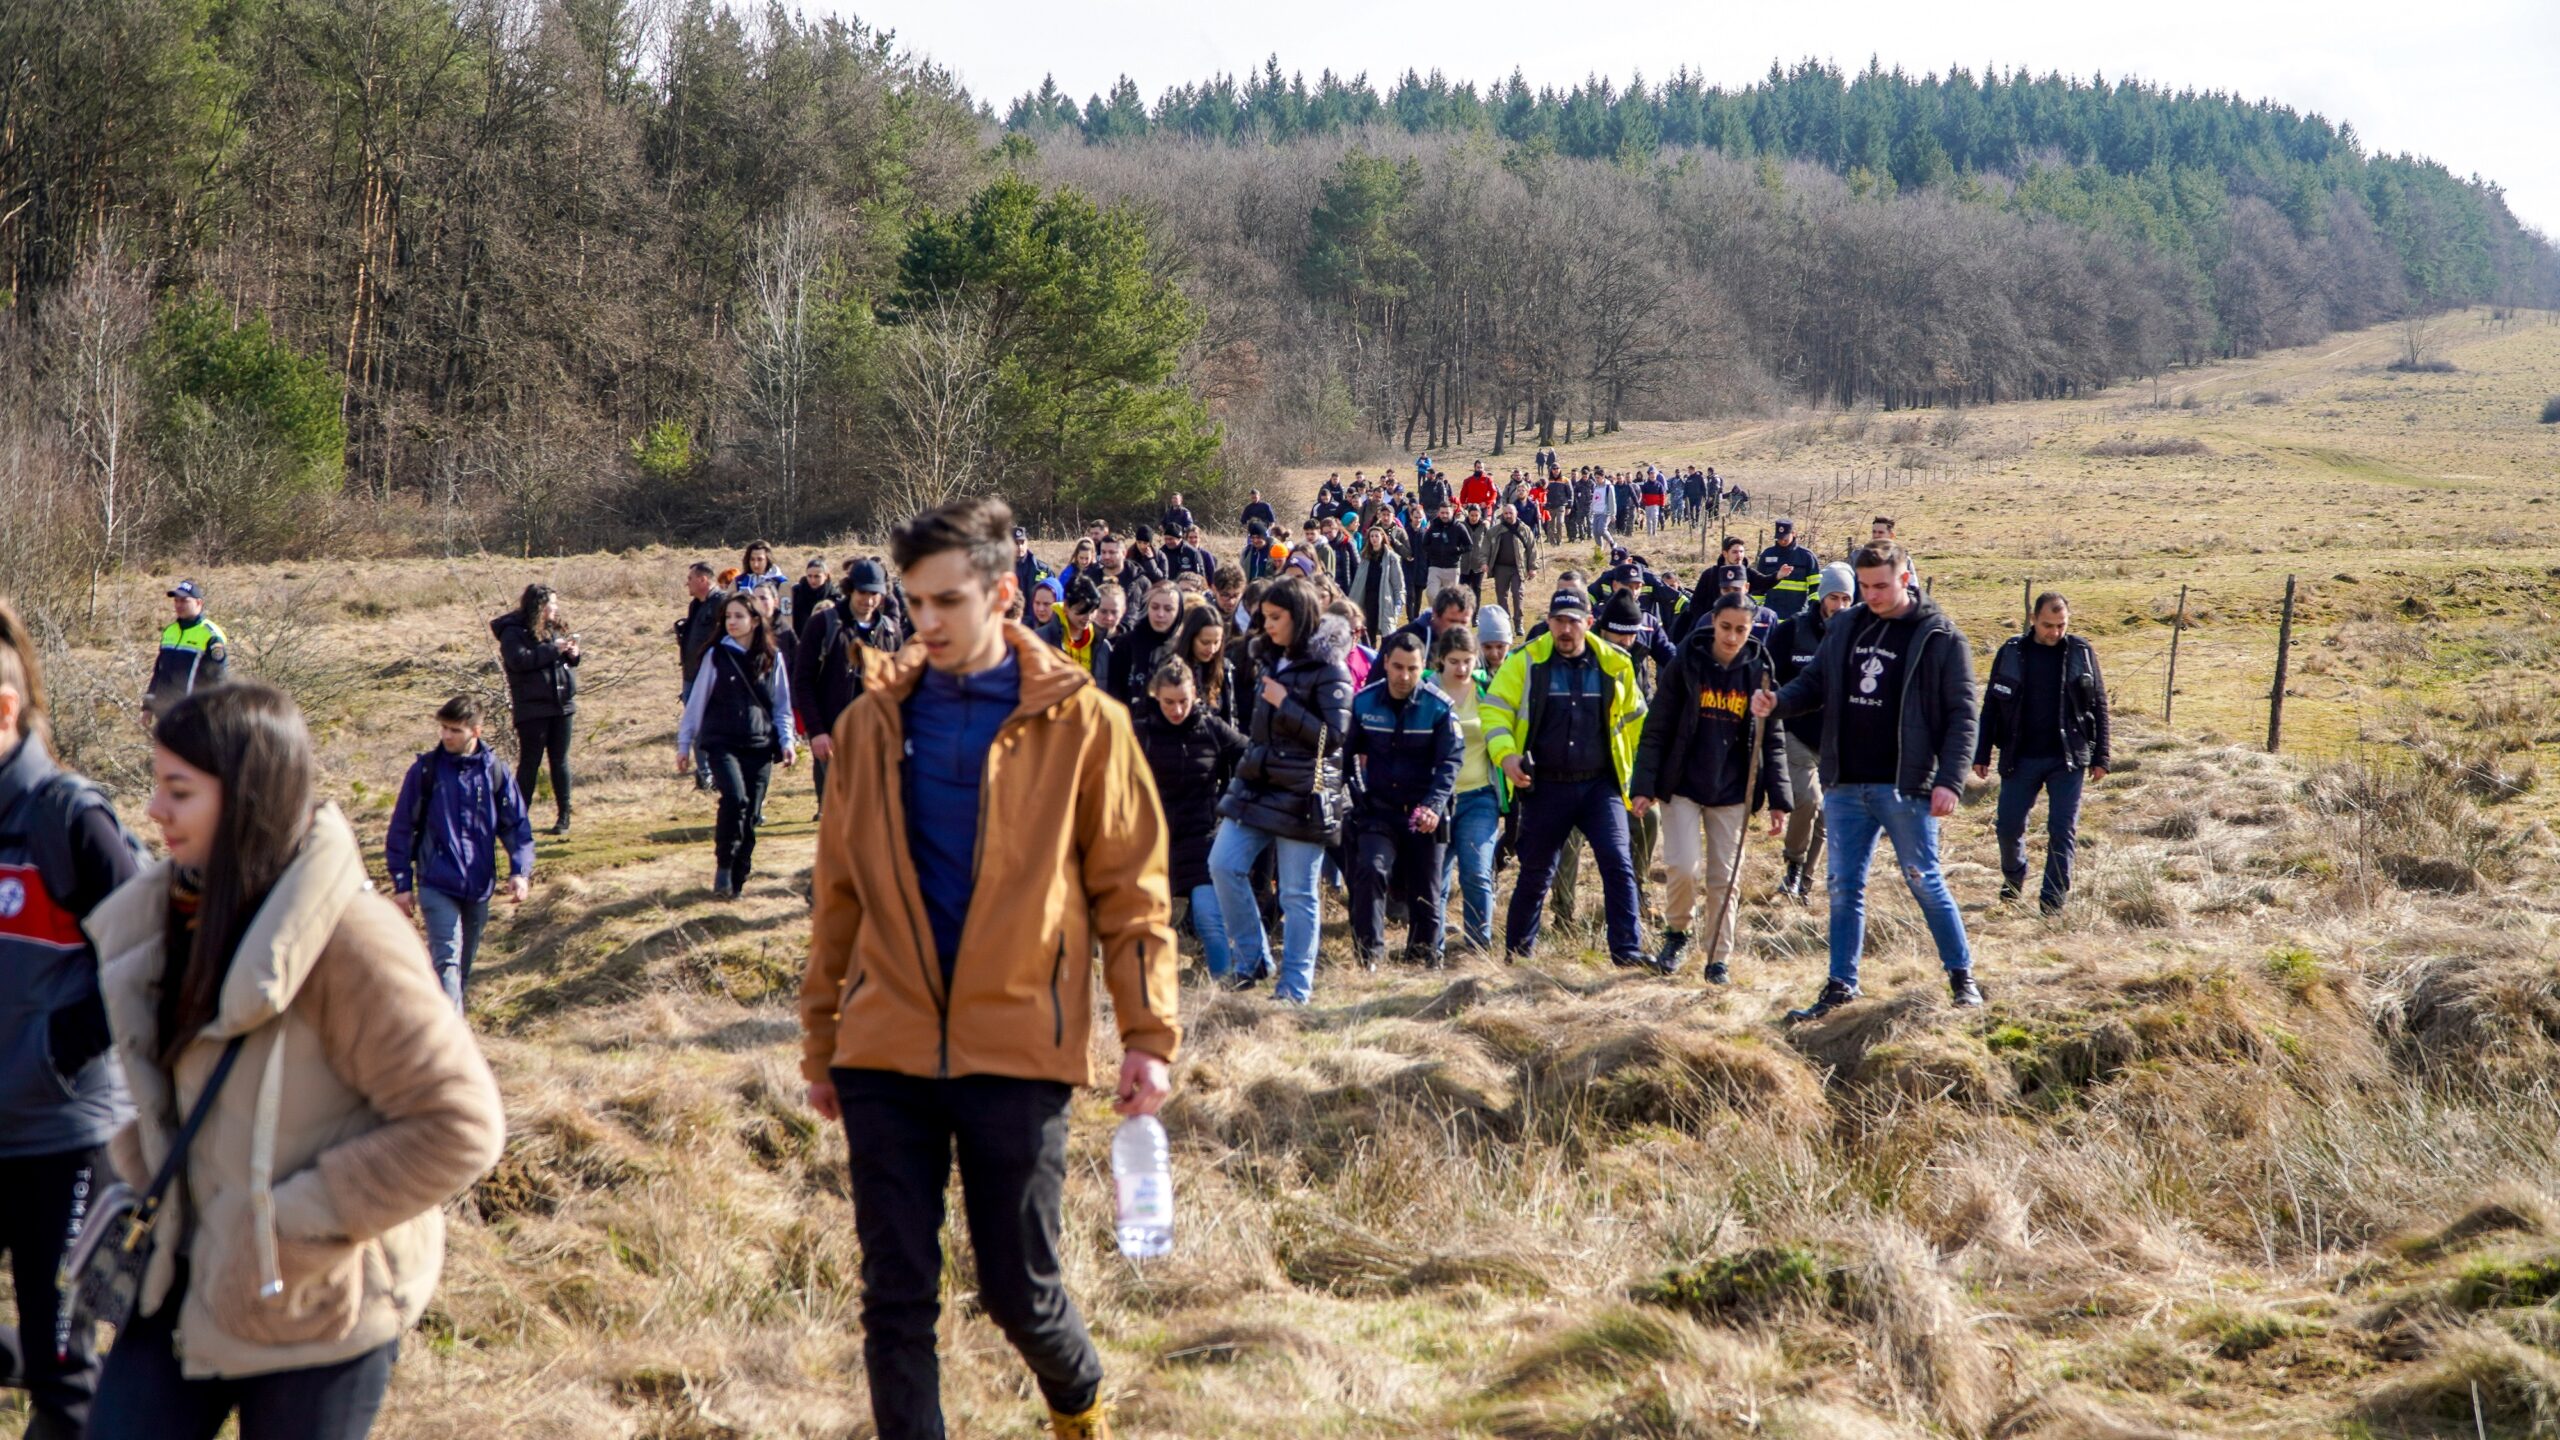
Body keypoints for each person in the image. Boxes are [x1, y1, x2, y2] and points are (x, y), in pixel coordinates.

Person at [797, 496, 1176, 1440]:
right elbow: (835, 893)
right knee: (895, 1297)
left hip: (1021, 1044)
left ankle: (1079, 1402)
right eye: (913, 602)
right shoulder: (871, 724)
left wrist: (1146, 1037)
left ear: (1004, 595)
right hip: (884, 1047)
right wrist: (820, 1041)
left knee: (1019, 1291)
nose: (925, 622)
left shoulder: (1086, 723)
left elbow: (1132, 892)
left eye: (947, 602)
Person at [83, 683, 503, 1440]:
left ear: (247, 796)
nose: (154, 811)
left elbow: (462, 1125)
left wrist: (288, 1228)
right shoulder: (165, 916)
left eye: (179, 791)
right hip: (180, 1279)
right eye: (155, 785)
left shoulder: (355, 942)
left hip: (316, 1308)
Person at [0, 600, 144, 1440]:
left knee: (64, 1371)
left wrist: (61, 1048)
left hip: (67, 1135)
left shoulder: (67, 817)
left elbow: (149, 957)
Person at [1753, 541, 1982, 1022]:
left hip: (1907, 784)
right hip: (1845, 783)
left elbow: (1963, 715)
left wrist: (1950, 781)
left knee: (1924, 880)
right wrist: (1778, 702)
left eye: (1881, 586)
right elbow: (1814, 684)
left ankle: (1963, 980)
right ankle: (1841, 985)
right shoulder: (1846, 627)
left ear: (1905, 579)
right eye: (1864, 586)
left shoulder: (1938, 635)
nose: (1871, 595)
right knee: (1843, 887)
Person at [1483, 590, 1649, 968]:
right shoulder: (1525, 661)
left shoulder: (1614, 664)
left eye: (1574, 621)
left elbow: (1640, 724)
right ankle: (1517, 959)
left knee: (1617, 864)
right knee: (1536, 873)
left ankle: (1627, 954)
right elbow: (1494, 712)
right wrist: (1506, 756)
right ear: (1550, 622)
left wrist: (1646, 780)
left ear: (1589, 623)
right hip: (1545, 787)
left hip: (1600, 787)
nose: (1565, 629)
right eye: (1559, 620)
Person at [1629, 594, 1790, 983]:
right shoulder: (1687, 664)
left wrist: (1780, 799)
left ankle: (1717, 959)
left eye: (1741, 630)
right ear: (1712, 623)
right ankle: (1677, 934)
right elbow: (1657, 728)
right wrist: (1644, 785)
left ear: (1751, 630)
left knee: (1726, 879)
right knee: (1682, 867)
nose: (1732, 637)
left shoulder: (1761, 672)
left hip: (1733, 790)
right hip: (1682, 784)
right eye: (1726, 628)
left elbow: (1774, 738)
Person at [1209, 577, 1353, 1004]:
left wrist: (1285, 704)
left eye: (1276, 618)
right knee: (1222, 864)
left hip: (1305, 795)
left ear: (1300, 616)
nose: (1267, 626)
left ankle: (1294, 989)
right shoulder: (1271, 660)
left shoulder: (1331, 668)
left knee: (1297, 894)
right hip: (1258, 786)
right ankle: (1252, 961)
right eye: (1265, 618)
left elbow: (1335, 738)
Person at [384, 695, 534, 1012]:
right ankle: (451, 1039)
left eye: (455, 730)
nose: (447, 736)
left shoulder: (495, 772)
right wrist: (402, 884)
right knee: (447, 958)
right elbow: (401, 828)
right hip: (436, 881)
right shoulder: (425, 771)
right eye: (443, 728)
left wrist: (520, 871)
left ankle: (440, 1022)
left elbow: (515, 825)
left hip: (480, 885)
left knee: (462, 966)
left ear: (475, 732)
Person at [1975, 593, 2111, 914]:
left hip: (2068, 758)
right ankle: (2014, 875)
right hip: (2020, 757)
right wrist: (1981, 753)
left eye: (2061, 625)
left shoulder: (2081, 652)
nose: (2055, 632)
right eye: (2048, 625)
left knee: (2062, 831)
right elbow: (1991, 705)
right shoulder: (2011, 653)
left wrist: (2101, 755)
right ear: (2033, 619)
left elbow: (2099, 705)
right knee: (2007, 827)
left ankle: (2052, 903)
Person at [1343, 632, 1461, 969]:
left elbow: (1450, 762)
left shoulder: (1438, 708)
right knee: (1369, 870)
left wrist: (1434, 806)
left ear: (1423, 667)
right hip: (1378, 812)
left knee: (1426, 892)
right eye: (1396, 667)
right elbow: (1345, 757)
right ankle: (1369, 960)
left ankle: (1423, 961)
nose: (1403, 676)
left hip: (1424, 815)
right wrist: (1357, 796)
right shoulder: (1364, 703)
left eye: (1412, 668)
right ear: (1385, 664)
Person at [676, 592, 797, 899]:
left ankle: (738, 879)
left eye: (739, 616)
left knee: (752, 813)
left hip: (760, 745)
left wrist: (787, 741)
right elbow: (696, 702)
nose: (731, 622)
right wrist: (684, 743)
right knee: (735, 799)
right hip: (722, 743)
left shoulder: (772, 657)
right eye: (727, 617)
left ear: (755, 620)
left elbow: (782, 706)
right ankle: (724, 867)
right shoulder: (716, 655)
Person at [1134, 660, 1247, 980]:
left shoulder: (1211, 727)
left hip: (1201, 836)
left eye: (1184, 701)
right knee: (1149, 924)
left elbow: (1249, 756)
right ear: (1156, 697)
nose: (1177, 709)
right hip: (1153, 840)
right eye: (1168, 702)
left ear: (1195, 695)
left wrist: (1231, 802)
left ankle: (1223, 987)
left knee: (1210, 919)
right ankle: (1147, 992)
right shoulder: (1141, 732)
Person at [1768, 564, 1853, 899]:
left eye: (1847, 597)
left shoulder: (1858, 636)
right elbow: (1769, 676)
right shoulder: (1792, 630)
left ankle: (1805, 879)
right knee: (1808, 800)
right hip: (1795, 733)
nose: (1840, 604)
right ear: (1822, 597)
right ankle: (1792, 863)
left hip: (1837, 740)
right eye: (1834, 597)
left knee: (1827, 814)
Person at [1431, 627, 1506, 954]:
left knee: (1476, 872)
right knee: (1437, 878)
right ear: (1440, 661)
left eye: (1467, 661)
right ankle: (1432, 946)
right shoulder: (1427, 693)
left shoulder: (1487, 690)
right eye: (1453, 661)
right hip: (1437, 801)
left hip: (1480, 796)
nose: (1461, 669)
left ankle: (1479, 945)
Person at [491, 583, 579, 836]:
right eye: (552, 603)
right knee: (530, 763)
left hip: (562, 705)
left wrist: (572, 654)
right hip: (532, 709)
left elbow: (565, 661)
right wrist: (554, 649)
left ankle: (564, 817)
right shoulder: (512, 632)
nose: (556, 608)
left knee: (560, 761)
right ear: (539, 606)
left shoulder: (554, 628)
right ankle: (517, 820)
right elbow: (519, 661)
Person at [144, 580, 228, 716]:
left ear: (198, 603)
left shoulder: (210, 634)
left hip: (193, 713)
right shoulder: (169, 631)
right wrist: (148, 706)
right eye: (176, 601)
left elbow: (218, 677)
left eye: (184, 601)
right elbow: (159, 672)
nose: (178, 605)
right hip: (165, 712)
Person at [1108, 582, 1187, 706]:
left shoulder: (1184, 646)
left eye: (1168, 609)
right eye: (1155, 607)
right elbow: (1114, 692)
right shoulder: (1127, 643)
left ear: (1179, 612)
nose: (1160, 614)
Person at [1172, 604, 1243, 726]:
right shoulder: (1172, 668)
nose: (1211, 649)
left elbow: (1232, 715)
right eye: (1205, 642)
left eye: (1216, 642)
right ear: (1191, 638)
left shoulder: (1224, 668)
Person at [1348, 523, 1410, 643]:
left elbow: (1398, 581)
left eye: (1376, 536)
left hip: (1385, 597)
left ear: (1382, 537)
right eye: (1372, 536)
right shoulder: (1365, 557)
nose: (1374, 539)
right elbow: (1358, 581)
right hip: (1368, 598)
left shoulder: (1391, 557)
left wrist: (1399, 599)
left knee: (1386, 631)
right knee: (1368, 629)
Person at [1753, 518, 1822, 619]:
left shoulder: (1807, 557)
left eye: (1785, 537)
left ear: (1794, 533)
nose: (1782, 541)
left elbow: (1815, 589)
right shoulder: (1767, 555)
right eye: (1779, 538)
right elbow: (1759, 588)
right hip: (1772, 617)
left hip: (1797, 617)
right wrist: (1755, 611)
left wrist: (1814, 612)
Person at [1487, 503, 1540, 620]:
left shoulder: (1524, 530)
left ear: (1516, 514)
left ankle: (1518, 621)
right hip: (1500, 568)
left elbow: (1532, 549)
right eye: (1506, 513)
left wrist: (1532, 567)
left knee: (1518, 594)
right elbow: (1486, 549)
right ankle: (1505, 619)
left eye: (1511, 513)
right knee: (1501, 596)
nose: (1508, 515)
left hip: (1518, 568)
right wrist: (1484, 563)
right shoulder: (1494, 531)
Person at [792, 557, 840, 640]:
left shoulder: (834, 596)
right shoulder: (796, 593)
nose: (812, 580)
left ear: (826, 576)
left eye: (817, 576)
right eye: (809, 576)